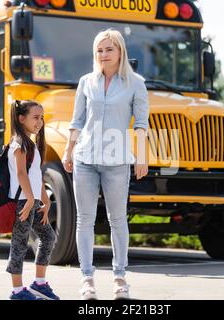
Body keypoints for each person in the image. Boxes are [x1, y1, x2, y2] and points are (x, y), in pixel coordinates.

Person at [62, 29, 149, 300]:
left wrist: (142, 156)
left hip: (117, 161)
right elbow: (77, 122)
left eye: (109, 49)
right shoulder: (86, 82)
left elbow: (142, 125)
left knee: (117, 220)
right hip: (85, 159)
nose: (104, 54)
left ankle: (120, 278)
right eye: (99, 50)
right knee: (84, 220)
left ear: (120, 51)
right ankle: (87, 279)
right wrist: (68, 151)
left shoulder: (136, 83)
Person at [6, 100, 60, 300]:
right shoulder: (18, 143)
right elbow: (21, 173)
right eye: (35, 117)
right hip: (22, 202)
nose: (40, 122)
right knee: (19, 244)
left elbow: (36, 175)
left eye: (42, 118)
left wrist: (45, 200)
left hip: (32, 201)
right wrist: (29, 199)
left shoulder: (32, 145)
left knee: (48, 237)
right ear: (21, 119)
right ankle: (17, 291)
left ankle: (39, 283)